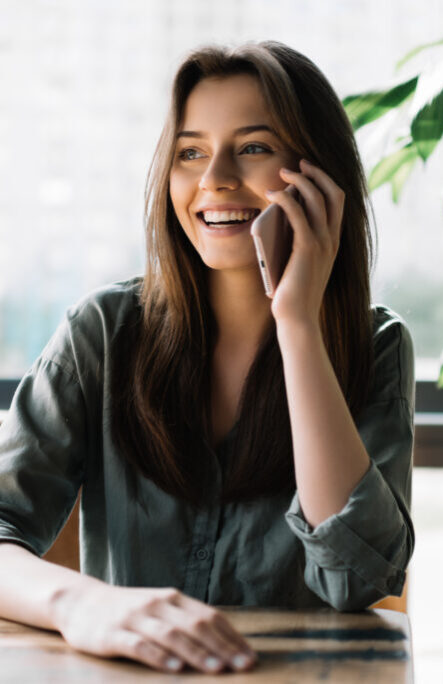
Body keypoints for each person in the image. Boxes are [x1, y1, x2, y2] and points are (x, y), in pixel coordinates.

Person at [0, 40, 415, 675]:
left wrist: (297, 322)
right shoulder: (101, 335)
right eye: (190, 152)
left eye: (252, 148)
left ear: (318, 174)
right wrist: (81, 602)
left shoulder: (375, 346)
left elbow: (357, 577)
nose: (214, 178)